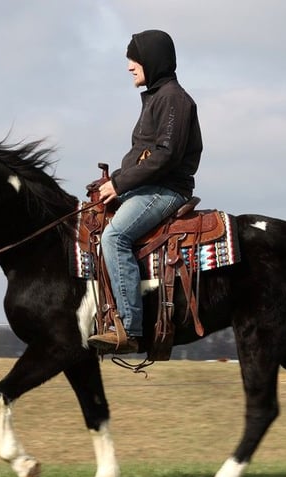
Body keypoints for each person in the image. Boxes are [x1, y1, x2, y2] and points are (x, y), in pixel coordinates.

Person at [88, 29, 203, 354]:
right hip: (147, 186)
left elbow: (165, 155)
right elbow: (145, 155)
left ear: (152, 60)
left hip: (166, 190)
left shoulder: (174, 100)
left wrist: (120, 183)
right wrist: (112, 184)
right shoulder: (158, 97)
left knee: (114, 237)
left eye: (134, 58)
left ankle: (128, 328)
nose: (129, 66)